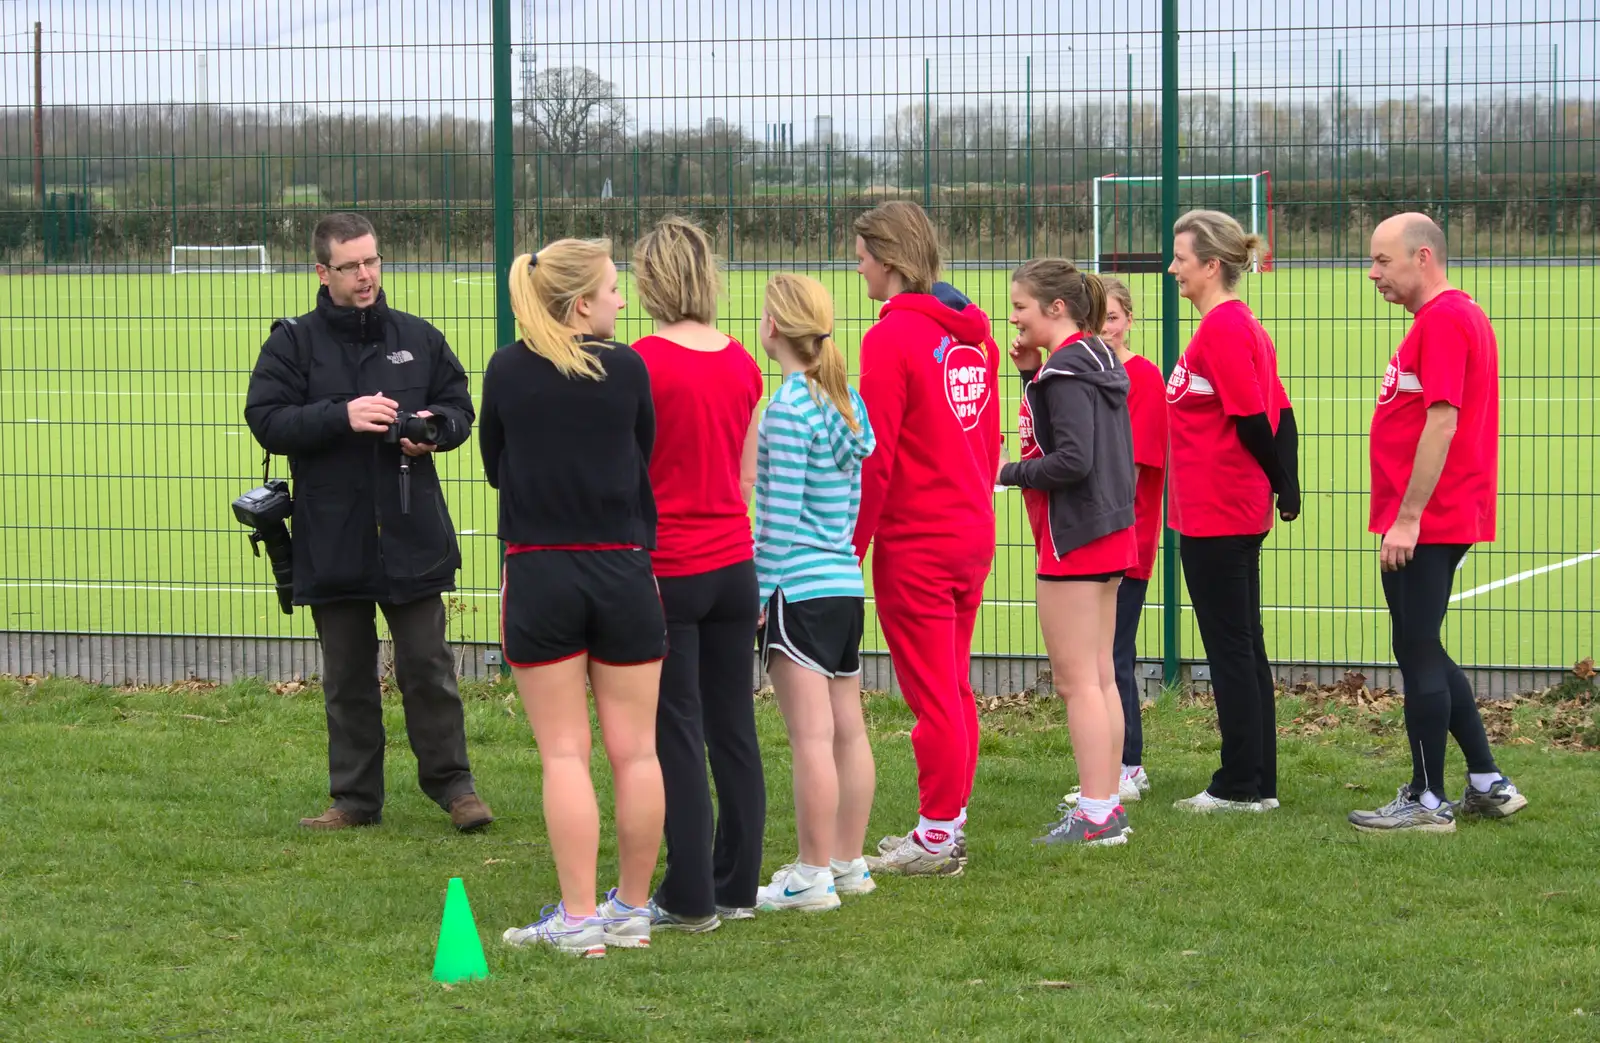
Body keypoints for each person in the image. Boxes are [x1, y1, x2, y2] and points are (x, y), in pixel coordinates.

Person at [243, 212, 492, 834]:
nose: (366, 275)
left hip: (412, 532)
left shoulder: (418, 335)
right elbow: (266, 418)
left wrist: (433, 431)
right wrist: (340, 415)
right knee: (347, 676)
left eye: (372, 261)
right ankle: (354, 800)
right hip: (333, 536)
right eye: (351, 265)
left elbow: (460, 407)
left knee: (427, 668)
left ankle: (454, 788)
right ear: (322, 271)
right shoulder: (293, 343)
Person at [487, 239, 667, 956]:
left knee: (566, 752)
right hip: (623, 568)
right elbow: (641, 450)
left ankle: (580, 916)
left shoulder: (506, 369)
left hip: (541, 572)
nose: (623, 301)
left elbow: (497, 464)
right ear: (580, 303)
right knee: (637, 752)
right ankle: (629, 909)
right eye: (614, 289)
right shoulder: (628, 369)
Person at [1348, 213, 1526, 833]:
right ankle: (1487, 781)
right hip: (1429, 515)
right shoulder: (1444, 318)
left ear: (1422, 258)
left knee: (1416, 646)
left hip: (1431, 517)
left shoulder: (1446, 319)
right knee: (1422, 642)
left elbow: (1442, 421)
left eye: (1383, 261)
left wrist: (1409, 518)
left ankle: (1427, 800)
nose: (1373, 274)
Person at [851, 201, 1001, 877]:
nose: (857, 268)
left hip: (917, 535)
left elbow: (874, 456)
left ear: (887, 258)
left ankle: (938, 835)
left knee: (933, 693)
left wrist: (851, 544)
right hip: (970, 527)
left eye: (861, 255)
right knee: (955, 685)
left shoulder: (889, 340)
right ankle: (949, 819)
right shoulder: (974, 336)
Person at [629, 217, 766, 930]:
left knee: (675, 730)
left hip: (669, 566)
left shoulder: (641, 361)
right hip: (732, 562)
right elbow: (744, 476)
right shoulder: (742, 361)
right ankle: (737, 883)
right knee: (733, 727)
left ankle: (687, 894)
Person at [997, 260, 1138, 846]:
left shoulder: (1067, 371)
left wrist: (1008, 472)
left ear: (1056, 309)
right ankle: (1104, 805)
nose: (1013, 318)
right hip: (1107, 530)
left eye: (1021, 307)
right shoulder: (1090, 361)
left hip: (1076, 538)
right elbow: (1066, 435)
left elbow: (1071, 459)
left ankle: (1098, 813)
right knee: (1100, 677)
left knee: (1077, 682)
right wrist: (1032, 376)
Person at [1164, 209, 1300, 814]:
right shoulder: (1241, 325)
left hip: (1219, 515)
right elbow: (1282, 414)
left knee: (1230, 650)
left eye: (1181, 259)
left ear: (1211, 266)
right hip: (1228, 511)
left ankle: (1239, 784)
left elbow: (1253, 419)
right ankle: (1258, 780)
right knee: (1245, 646)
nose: (1173, 269)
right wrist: (1286, 486)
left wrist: (1280, 481)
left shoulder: (1221, 330)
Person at [750, 273, 878, 911]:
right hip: (843, 586)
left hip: (797, 590)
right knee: (847, 730)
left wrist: (755, 588)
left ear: (773, 327)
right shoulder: (844, 402)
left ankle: (811, 873)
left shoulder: (789, 409)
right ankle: (847, 863)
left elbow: (777, 517)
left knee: (810, 738)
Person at [1058, 277, 1167, 808]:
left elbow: (1127, 461)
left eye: (1115, 318)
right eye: (1097, 319)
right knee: (1100, 657)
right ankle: (1108, 769)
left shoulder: (1139, 377)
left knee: (1113, 657)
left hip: (1126, 536)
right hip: (1097, 535)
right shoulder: (1089, 372)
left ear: (1129, 321)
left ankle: (1127, 767)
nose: (1106, 328)